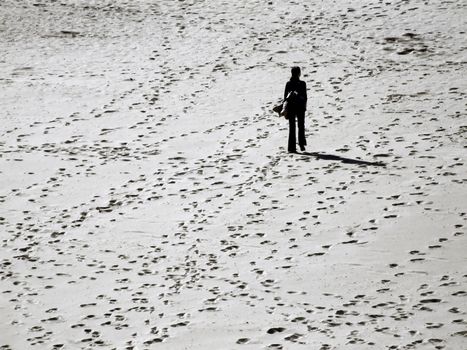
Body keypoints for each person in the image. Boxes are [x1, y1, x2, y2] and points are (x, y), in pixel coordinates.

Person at [284, 66, 307, 153]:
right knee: (301, 126)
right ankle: (301, 144)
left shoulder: (288, 84)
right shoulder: (302, 84)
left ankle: (291, 147)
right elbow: (305, 97)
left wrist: (285, 108)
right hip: (300, 107)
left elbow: (285, 98)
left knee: (292, 127)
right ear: (299, 73)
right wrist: (304, 106)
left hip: (291, 107)